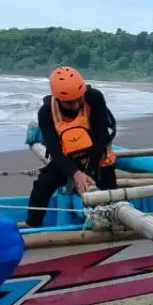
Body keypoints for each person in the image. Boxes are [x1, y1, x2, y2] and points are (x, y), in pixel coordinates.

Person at [26, 66, 118, 228]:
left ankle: (109, 223)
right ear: (58, 98)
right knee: (42, 185)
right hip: (67, 159)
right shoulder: (46, 112)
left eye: (79, 99)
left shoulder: (94, 98)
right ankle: (33, 225)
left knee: (109, 197)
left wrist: (89, 172)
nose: (76, 105)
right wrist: (75, 173)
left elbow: (101, 136)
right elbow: (55, 151)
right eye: (69, 102)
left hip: (97, 157)